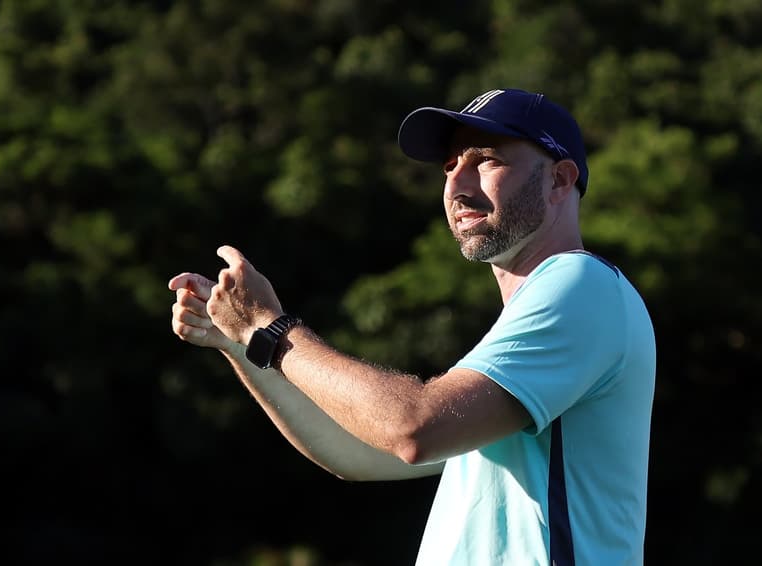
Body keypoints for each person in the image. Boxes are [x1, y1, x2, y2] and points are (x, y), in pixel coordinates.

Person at [169, 88, 657, 565]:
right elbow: (356, 452)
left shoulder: (582, 284)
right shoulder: (545, 324)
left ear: (559, 180)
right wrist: (244, 341)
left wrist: (269, 327)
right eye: (449, 166)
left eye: (485, 160)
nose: (457, 184)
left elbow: (412, 428)